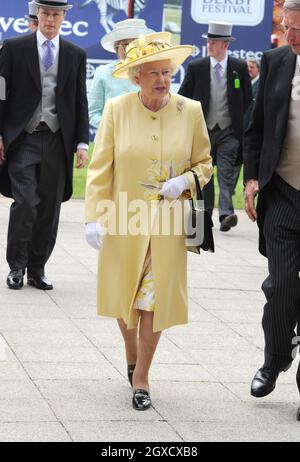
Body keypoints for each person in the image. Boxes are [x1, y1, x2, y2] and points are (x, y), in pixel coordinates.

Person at [85, 32, 212, 410]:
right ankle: (130, 352)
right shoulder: (117, 110)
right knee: (125, 299)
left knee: (152, 302)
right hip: (124, 218)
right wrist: (94, 216)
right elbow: (100, 167)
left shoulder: (190, 111)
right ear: (136, 76)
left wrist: (184, 182)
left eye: (167, 73)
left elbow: (204, 164)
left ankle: (142, 377)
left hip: (169, 223)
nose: (161, 80)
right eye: (153, 73)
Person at [0, 0, 89, 291]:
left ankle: (37, 270)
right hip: (23, 138)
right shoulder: (14, 48)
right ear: (37, 14)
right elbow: (0, 93)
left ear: (64, 16)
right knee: (26, 202)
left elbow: (79, 101)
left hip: (56, 139)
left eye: (56, 14)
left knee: (49, 208)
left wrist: (81, 142)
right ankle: (16, 267)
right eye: (45, 13)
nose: (50, 19)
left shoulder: (76, 55)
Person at [244, 0, 300, 422]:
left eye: (297, 29)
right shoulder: (277, 60)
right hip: (282, 192)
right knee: (280, 285)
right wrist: (252, 178)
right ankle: (276, 356)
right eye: (287, 26)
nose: (290, 35)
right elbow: (257, 125)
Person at [179, 22, 252, 231]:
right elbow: (184, 96)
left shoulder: (239, 68)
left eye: (213, 41)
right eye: (208, 41)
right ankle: (207, 214)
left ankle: (226, 214)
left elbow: (247, 99)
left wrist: (241, 130)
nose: (209, 44)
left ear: (225, 45)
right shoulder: (197, 67)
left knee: (226, 174)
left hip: (230, 132)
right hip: (204, 131)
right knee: (206, 175)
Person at [88, 18, 153, 129]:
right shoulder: (103, 72)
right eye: (126, 44)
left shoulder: (153, 72)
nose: (131, 49)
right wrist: (115, 126)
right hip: (110, 139)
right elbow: (92, 113)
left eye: (136, 44)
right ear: (117, 47)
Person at [244, 59, 260, 130]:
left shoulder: (262, 84)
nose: (249, 69)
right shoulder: (240, 81)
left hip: (253, 126)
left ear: (258, 70)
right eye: (247, 67)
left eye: (252, 67)